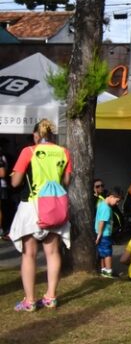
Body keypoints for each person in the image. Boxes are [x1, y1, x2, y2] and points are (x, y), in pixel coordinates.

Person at [8, 119, 71, 312]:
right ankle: (51, 297)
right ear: (52, 134)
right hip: (55, 206)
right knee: (53, 252)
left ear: (36, 134)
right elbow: (66, 181)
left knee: (29, 254)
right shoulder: (64, 152)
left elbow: (15, 182)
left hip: (32, 206)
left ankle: (30, 300)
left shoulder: (28, 151)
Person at [95, 188, 122, 278]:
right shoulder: (106, 208)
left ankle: (103, 270)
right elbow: (102, 222)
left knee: (102, 252)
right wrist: (99, 234)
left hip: (101, 234)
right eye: (117, 201)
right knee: (107, 253)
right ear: (111, 196)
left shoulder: (102, 204)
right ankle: (109, 271)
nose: (117, 204)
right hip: (104, 234)